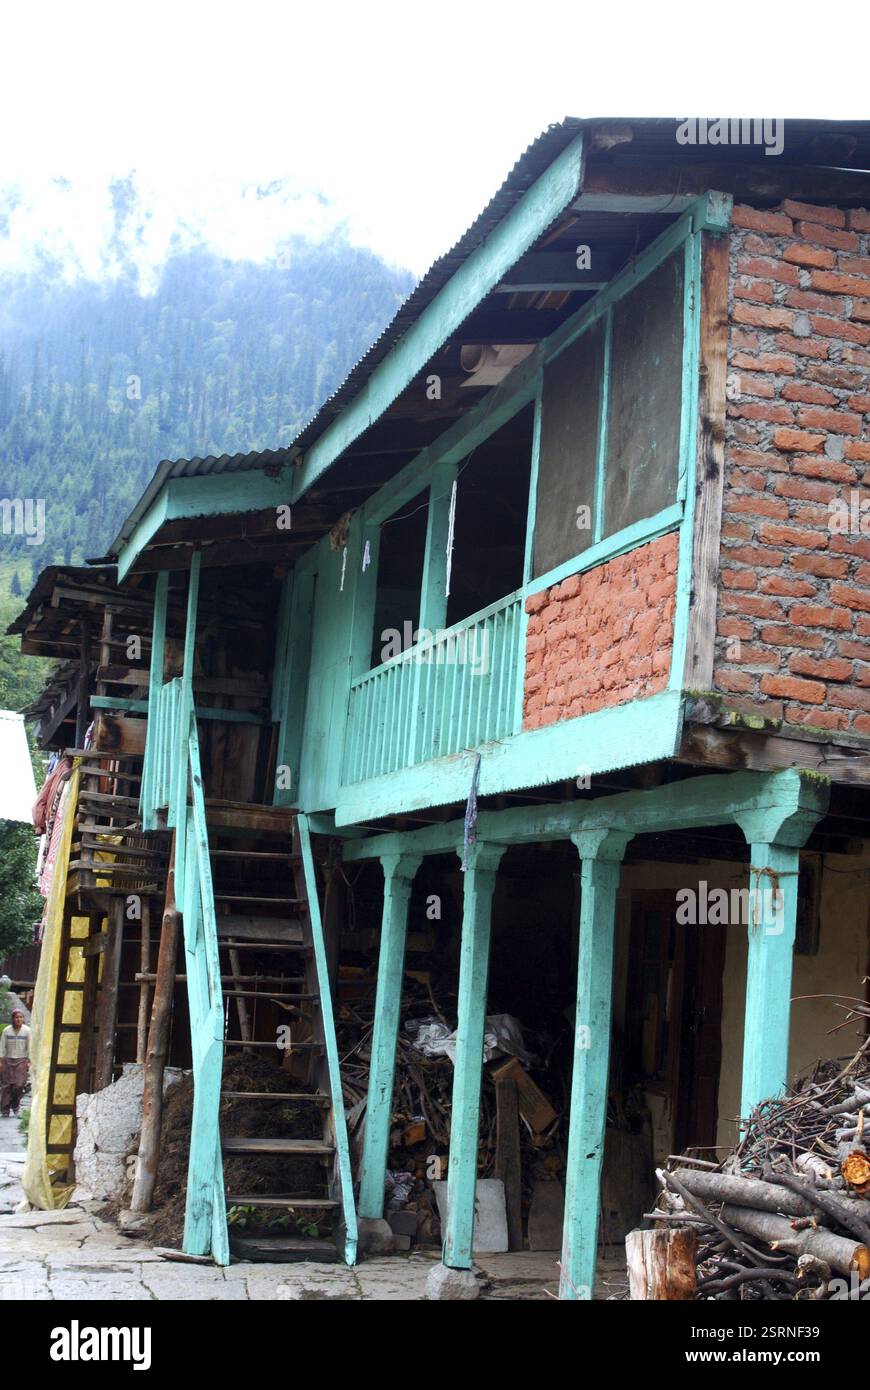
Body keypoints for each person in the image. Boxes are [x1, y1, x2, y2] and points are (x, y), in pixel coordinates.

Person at [0, 1010, 31, 1117]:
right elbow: (2, 1046)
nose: (19, 1019)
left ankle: (15, 1105)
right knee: (6, 1086)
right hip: (7, 1060)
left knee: (19, 1085)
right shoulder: (6, 1031)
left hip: (21, 1060)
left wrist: (29, 1060)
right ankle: (5, 1110)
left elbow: (30, 1047)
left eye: (21, 1017)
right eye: (16, 1017)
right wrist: (1, 1061)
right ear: (13, 1019)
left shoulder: (27, 1031)